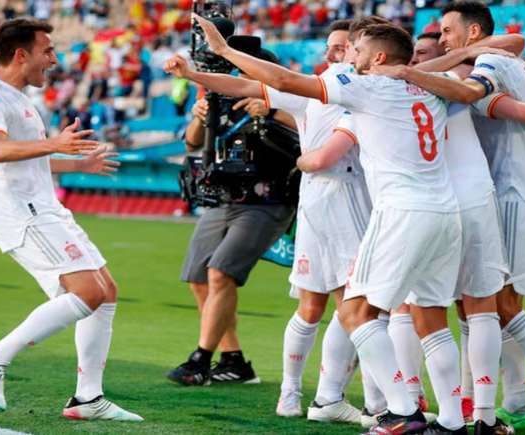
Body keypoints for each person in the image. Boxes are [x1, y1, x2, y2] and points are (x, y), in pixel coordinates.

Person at [195, 16, 467, 434]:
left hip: (401, 211)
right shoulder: (429, 86)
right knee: (430, 317)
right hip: (446, 212)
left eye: (356, 51)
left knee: (356, 311)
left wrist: (226, 51)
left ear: (377, 57)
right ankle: (451, 421)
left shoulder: (371, 86)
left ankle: (401, 411)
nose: (347, 58)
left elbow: (284, 83)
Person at [404, 2, 525, 433]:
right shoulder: (513, 58)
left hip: (513, 190)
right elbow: (516, 52)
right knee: (489, 305)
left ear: (473, 31)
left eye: (450, 32)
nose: (445, 39)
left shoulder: (489, 60)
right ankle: (516, 403)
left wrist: (413, 75)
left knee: (499, 304)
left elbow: (479, 93)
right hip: (519, 188)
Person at [167, 19, 371, 423]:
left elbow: (281, 96)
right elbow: (230, 103)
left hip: (298, 198)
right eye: (331, 46)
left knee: (359, 305)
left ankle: (355, 399)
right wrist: (195, 82)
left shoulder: (353, 88)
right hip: (312, 202)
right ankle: (296, 392)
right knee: (324, 304)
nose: (333, 53)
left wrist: (272, 111)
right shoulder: (315, 88)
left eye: (344, 47)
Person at [378, 14, 525, 433]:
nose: (433, 44)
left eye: (440, 37)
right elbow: (515, 42)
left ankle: (437, 408)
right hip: (472, 196)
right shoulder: (453, 71)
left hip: (456, 199)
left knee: (460, 305)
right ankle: (480, 409)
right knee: (474, 306)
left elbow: (513, 43)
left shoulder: (453, 79)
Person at [0, 18, 141, 421]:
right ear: (20, 54)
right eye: (47, 50)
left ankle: (88, 398)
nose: (54, 59)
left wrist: (77, 162)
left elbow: (31, 161)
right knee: (88, 292)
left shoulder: (23, 99)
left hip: (45, 209)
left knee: (106, 290)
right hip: (23, 215)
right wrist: (54, 143)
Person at [166, 46, 296, 388]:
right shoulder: (223, 96)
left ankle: (200, 360)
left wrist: (273, 112)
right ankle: (234, 360)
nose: (238, 77)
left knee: (220, 273)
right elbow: (192, 143)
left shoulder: (291, 94)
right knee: (198, 278)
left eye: (245, 71)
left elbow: (317, 129)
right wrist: (199, 114)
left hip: (268, 200)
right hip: (223, 198)